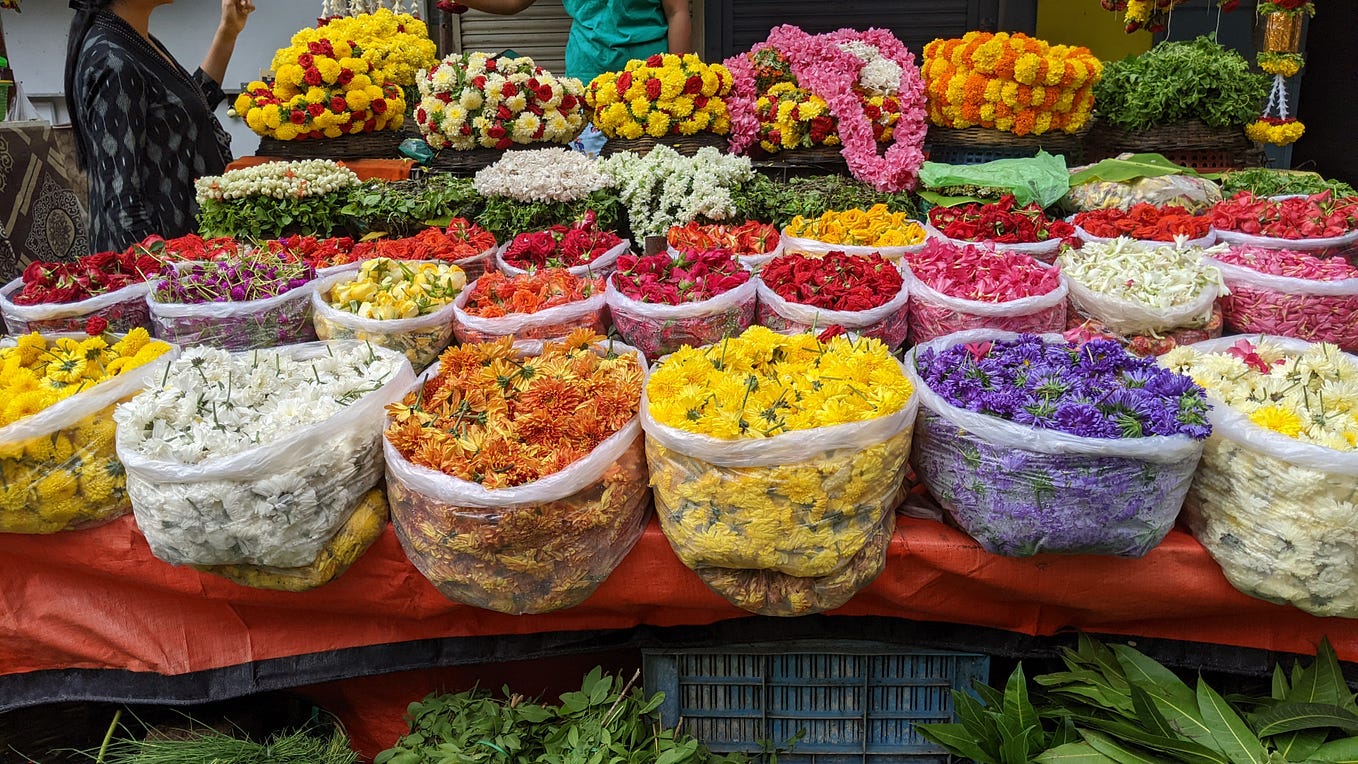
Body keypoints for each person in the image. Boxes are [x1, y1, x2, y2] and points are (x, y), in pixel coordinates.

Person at [64, 0, 256, 254]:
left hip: (181, 256)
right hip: (154, 264)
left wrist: (227, 33)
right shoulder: (114, 61)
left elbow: (182, 121)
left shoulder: (133, 39)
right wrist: (168, 278)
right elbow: (122, 205)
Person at [448, 0, 691, 85]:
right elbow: (514, 2)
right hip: (586, 71)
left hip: (649, 72)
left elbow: (677, 11)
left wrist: (676, 77)